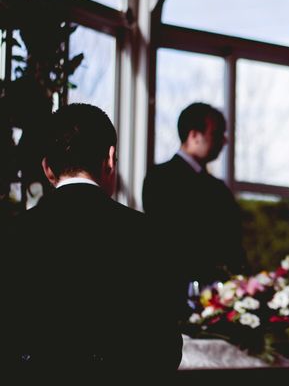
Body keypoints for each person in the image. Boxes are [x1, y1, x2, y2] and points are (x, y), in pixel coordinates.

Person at [0, 103, 182, 384]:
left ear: (47, 168)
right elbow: (165, 348)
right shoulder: (149, 233)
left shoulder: (13, 233)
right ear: (110, 158)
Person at [142, 102, 247, 320]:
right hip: (175, 299)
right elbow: (166, 240)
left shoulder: (217, 188)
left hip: (218, 301)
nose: (224, 141)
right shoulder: (160, 179)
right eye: (217, 133)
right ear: (194, 135)